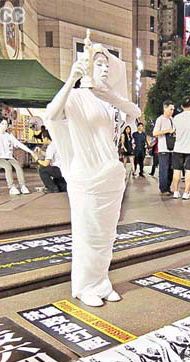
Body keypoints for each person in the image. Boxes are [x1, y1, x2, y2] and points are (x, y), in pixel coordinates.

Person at [45, 38, 141, 307]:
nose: (105, 69)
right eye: (99, 64)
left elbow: (135, 111)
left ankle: (101, 282)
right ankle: (85, 286)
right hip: (85, 176)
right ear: (86, 66)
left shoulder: (109, 103)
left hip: (110, 177)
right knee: (87, 234)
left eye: (107, 64)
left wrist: (105, 94)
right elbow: (51, 114)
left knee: (106, 235)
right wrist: (71, 81)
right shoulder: (73, 97)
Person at [0, 118, 37, 195]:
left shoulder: (9, 136)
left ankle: (23, 186)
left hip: (9, 157)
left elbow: (19, 144)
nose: (4, 126)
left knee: (18, 166)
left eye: (6, 124)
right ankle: (12, 187)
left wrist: (30, 151)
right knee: (7, 166)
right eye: (2, 124)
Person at [153, 100, 175, 195]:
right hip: (163, 149)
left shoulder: (172, 119)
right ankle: (163, 189)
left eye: (173, 109)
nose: (172, 111)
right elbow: (155, 133)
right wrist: (167, 131)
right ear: (165, 108)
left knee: (171, 169)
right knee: (163, 169)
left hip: (172, 148)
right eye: (170, 109)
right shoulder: (160, 119)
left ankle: (168, 187)